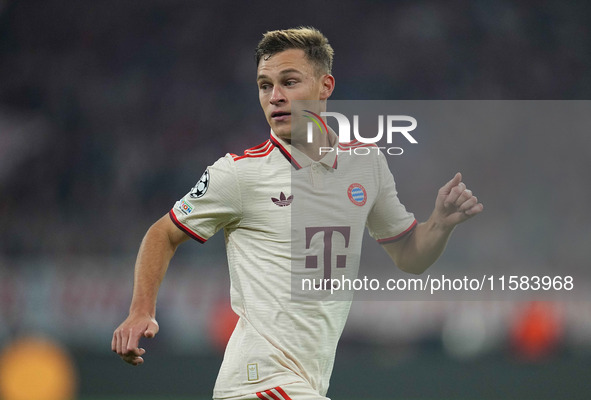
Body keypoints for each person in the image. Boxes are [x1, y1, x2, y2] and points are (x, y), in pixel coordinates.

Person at [112, 26, 483, 400]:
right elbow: (163, 233)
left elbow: (410, 255)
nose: (275, 97)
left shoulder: (366, 164)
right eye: (264, 85)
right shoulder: (239, 173)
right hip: (256, 382)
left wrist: (440, 223)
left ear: (325, 86)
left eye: (289, 82)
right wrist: (140, 310)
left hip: (305, 384)